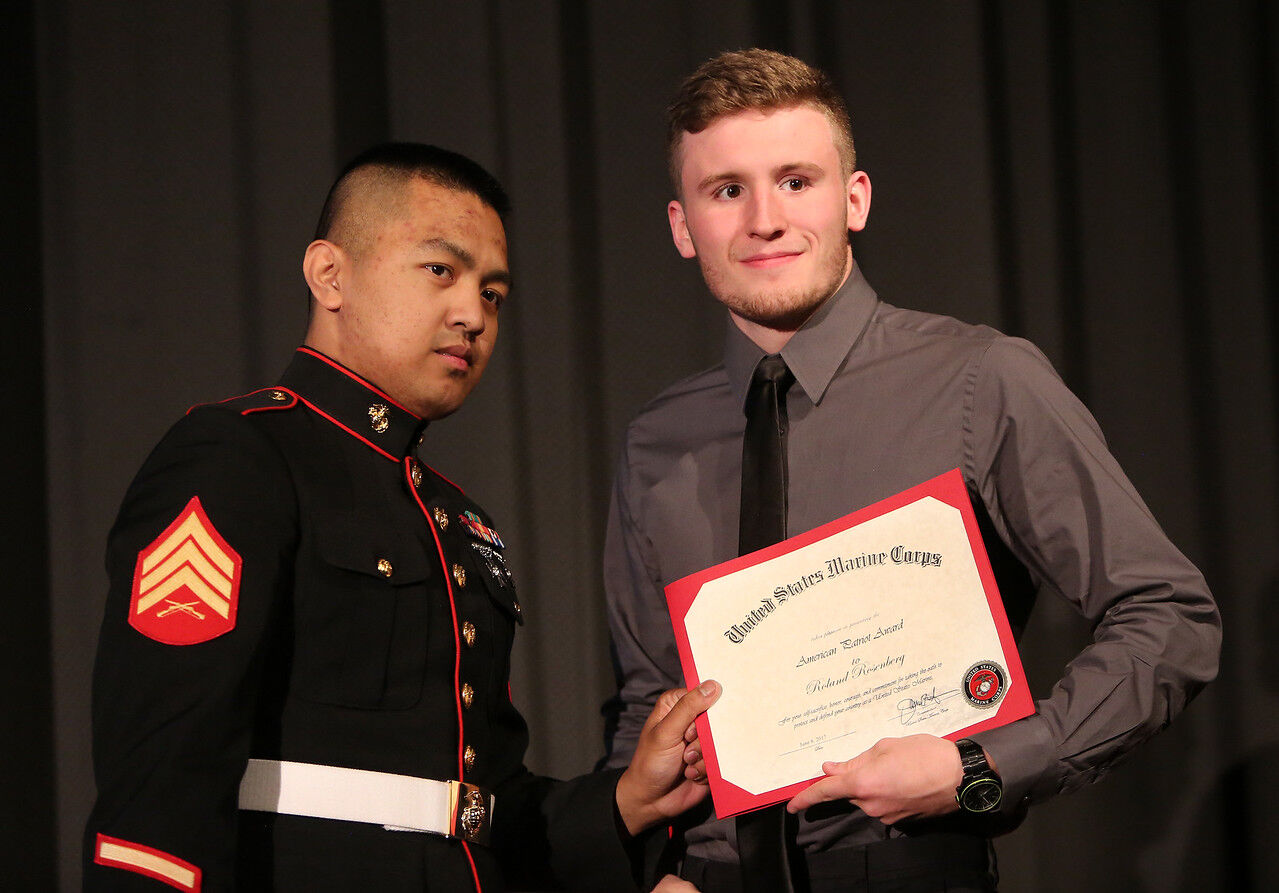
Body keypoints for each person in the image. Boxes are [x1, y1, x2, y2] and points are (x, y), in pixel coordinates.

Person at [600, 49, 1221, 892]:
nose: (764, 219)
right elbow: (647, 706)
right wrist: (654, 867)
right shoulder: (655, 443)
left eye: (795, 180)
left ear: (853, 199)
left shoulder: (979, 381)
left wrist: (979, 764)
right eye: (726, 190)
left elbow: (1168, 616)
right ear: (682, 226)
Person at [84, 142, 720, 892]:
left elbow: (480, 810)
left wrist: (627, 798)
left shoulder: (457, 519)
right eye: (440, 270)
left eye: (493, 292)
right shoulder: (238, 455)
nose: (470, 313)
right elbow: (163, 776)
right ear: (330, 274)